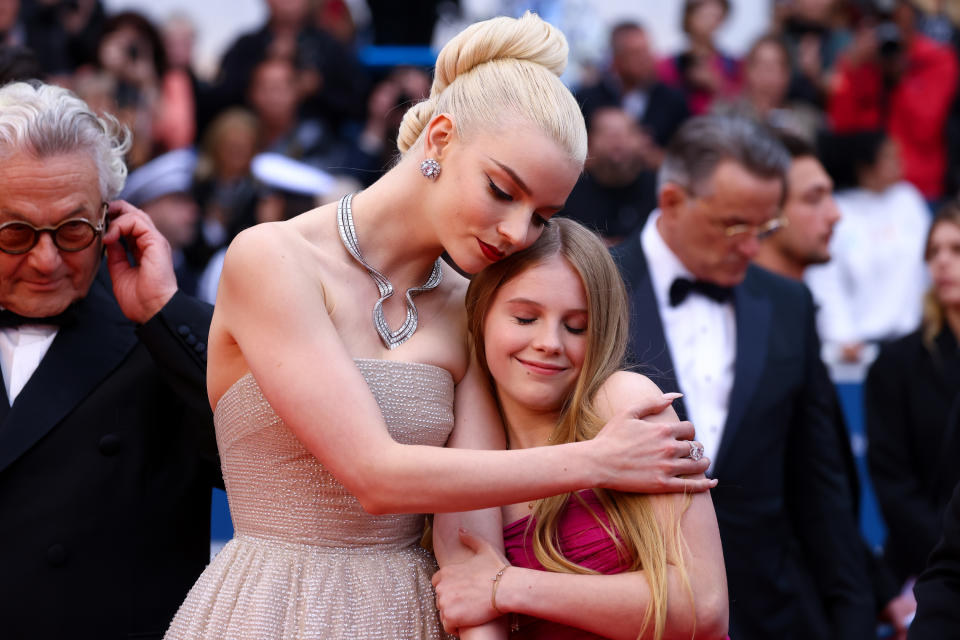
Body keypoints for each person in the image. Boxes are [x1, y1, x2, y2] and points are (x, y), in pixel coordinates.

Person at [164, 13, 714, 640]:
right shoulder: (272, 259)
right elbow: (375, 475)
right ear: (441, 137)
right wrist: (596, 461)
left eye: (543, 215)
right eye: (502, 190)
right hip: (274, 608)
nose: (517, 233)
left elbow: (466, 541)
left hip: (415, 616)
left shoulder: (468, 304)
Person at [612, 114, 875, 640]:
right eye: (735, 227)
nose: (754, 248)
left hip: (776, 613)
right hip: (634, 611)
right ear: (671, 203)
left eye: (766, 228)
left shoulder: (789, 303)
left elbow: (819, 482)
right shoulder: (591, 291)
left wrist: (853, 614)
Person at [432, 218, 729, 639]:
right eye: (524, 318)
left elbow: (705, 606)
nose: (550, 342)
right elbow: (467, 590)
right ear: (482, 313)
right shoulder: (463, 428)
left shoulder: (624, 403)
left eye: (576, 327)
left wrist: (508, 587)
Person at [0, 81, 219, 639]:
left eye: (73, 230)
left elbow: (269, 473)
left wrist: (162, 314)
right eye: (15, 234)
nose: (47, 260)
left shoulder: (169, 335)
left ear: (110, 217)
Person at [755, 131, 915, 639]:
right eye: (812, 198)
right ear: (764, 213)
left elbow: (827, 491)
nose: (837, 214)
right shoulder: (751, 335)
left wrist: (881, 588)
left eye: (829, 194)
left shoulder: (797, 319)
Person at [867, 202, 960, 601]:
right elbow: (893, 482)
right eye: (934, 251)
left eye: (956, 250)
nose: (942, 261)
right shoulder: (896, 364)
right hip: (926, 568)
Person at [805, 130, 930, 371]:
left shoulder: (908, 200)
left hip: (914, 341)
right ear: (865, 167)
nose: (899, 163)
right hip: (859, 349)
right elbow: (826, 279)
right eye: (888, 157)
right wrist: (841, 334)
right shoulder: (838, 211)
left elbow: (929, 265)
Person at [575, 21, 690, 168]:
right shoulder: (586, 99)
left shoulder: (673, 101)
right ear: (616, 59)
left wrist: (654, 157)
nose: (646, 60)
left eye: (647, 51)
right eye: (636, 53)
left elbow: (688, 158)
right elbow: (570, 156)